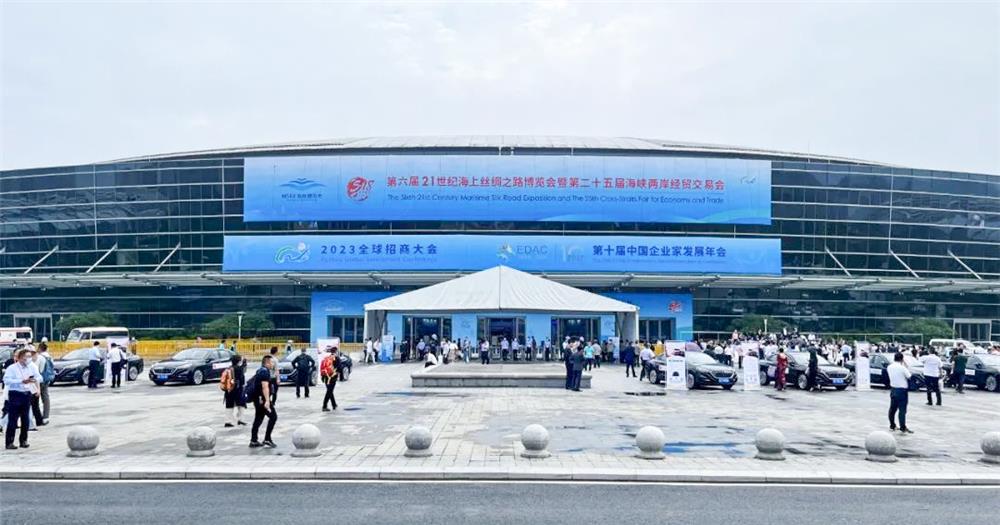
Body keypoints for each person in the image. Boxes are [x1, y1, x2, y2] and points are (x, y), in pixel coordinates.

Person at [3, 349, 39, 450]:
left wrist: (34, 380)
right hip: (15, 394)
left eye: (30, 356)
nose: (28, 359)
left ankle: (23, 440)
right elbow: (6, 380)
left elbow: (39, 377)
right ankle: (9, 442)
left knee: (25, 418)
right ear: (20, 358)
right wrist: (21, 381)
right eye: (26, 356)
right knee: (13, 419)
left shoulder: (31, 367)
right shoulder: (12, 368)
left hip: (27, 394)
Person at [249, 355, 278, 448]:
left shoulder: (260, 370)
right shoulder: (264, 372)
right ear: (267, 363)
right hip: (262, 400)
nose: (273, 364)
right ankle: (267, 439)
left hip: (257, 399)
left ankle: (253, 440)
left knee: (258, 418)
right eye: (272, 362)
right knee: (273, 417)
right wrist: (267, 401)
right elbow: (264, 387)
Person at [887, 352, 913, 433]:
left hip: (893, 389)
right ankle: (903, 427)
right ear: (902, 359)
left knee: (892, 409)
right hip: (902, 390)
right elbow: (909, 376)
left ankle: (892, 425)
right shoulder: (902, 368)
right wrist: (906, 366)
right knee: (902, 410)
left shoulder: (889, 367)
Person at [221, 355, 247, 427]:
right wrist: (244, 362)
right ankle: (240, 419)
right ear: (238, 361)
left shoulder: (228, 368)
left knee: (229, 405)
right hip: (237, 390)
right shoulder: (239, 369)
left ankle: (227, 421)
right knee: (241, 404)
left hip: (229, 390)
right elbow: (242, 380)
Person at [35, 343, 54, 422]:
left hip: (40, 379)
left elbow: (36, 369)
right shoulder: (49, 357)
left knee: (35, 399)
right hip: (47, 378)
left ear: (40, 348)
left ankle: (37, 416)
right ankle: (46, 416)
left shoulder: (40, 357)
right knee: (46, 397)